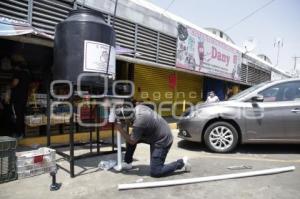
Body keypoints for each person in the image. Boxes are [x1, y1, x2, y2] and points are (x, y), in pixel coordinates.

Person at [114, 104, 191, 177]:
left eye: (122, 120)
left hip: (162, 140)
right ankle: (128, 163)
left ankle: (182, 163)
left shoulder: (139, 122)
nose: (121, 122)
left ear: (127, 118)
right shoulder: (138, 108)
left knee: (156, 171)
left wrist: (120, 129)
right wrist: (124, 123)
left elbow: (132, 141)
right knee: (130, 137)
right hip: (154, 133)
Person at [10, 62, 31, 139]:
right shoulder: (27, 74)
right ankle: (22, 133)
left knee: (17, 116)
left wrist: (9, 86)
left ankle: (18, 133)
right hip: (24, 98)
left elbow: (15, 83)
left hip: (17, 98)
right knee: (21, 115)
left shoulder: (17, 73)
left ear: (16, 67)